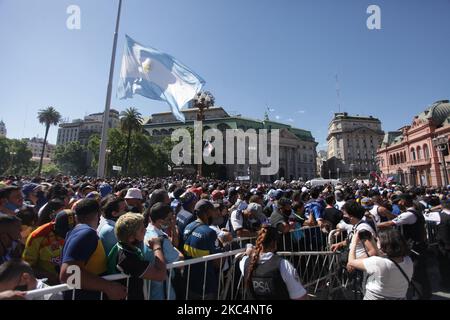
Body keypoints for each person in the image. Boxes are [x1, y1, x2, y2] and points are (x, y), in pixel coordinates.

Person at [59, 199, 127, 300]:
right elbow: (68, 275)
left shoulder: (76, 231)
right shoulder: (87, 234)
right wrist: (109, 287)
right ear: (98, 214)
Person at [378, 193, 431, 299]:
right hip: (418, 246)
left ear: (404, 201)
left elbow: (390, 223)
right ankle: (424, 293)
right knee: (419, 273)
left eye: (399, 201)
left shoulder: (409, 214)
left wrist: (373, 225)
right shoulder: (412, 212)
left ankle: (422, 295)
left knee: (417, 274)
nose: (398, 204)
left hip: (416, 248)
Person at [240, 225, 307, 300]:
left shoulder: (244, 263)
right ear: (275, 243)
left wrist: (248, 251)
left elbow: (245, 256)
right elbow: (300, 297)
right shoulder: (283, 265)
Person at [110, 213, 167, 300]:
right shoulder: (127, 259)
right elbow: (161, 275)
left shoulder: (124, 246)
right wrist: (157, 247)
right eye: (141, 230)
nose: (145, 230)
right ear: (131, 238)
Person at [347, 228, 413, 300]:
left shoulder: (377, 262)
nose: (376, 242)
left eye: (378, 241)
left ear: (385, 244)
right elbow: (384, 260)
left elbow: (351, 262)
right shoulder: (408, 260)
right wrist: (372, 240)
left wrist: (353, 243)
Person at [22, 210, 75, 285]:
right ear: (54, 225)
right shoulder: (37, 237)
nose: (68, 236)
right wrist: (49, 276)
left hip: (74, 279)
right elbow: (27, 267)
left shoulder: (82, 231)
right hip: (50, 285)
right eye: (64, 232)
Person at [183, 200, 221, 299]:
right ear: (208, 212)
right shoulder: (209, 232)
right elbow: (217, 263)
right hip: (205, 284)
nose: (215, 213)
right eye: (213, 210)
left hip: (189, 281)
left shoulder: (188, 226)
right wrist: (224, 244)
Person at [144, 203, 183, 300]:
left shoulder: (146, 231)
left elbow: (174, 243)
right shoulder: (161, 238)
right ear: (160, 220)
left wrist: (173, 227)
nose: (172, 220)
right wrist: (175, 250)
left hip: (150, 285)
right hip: (163, 290)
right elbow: (180, 261)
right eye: (169, 219)